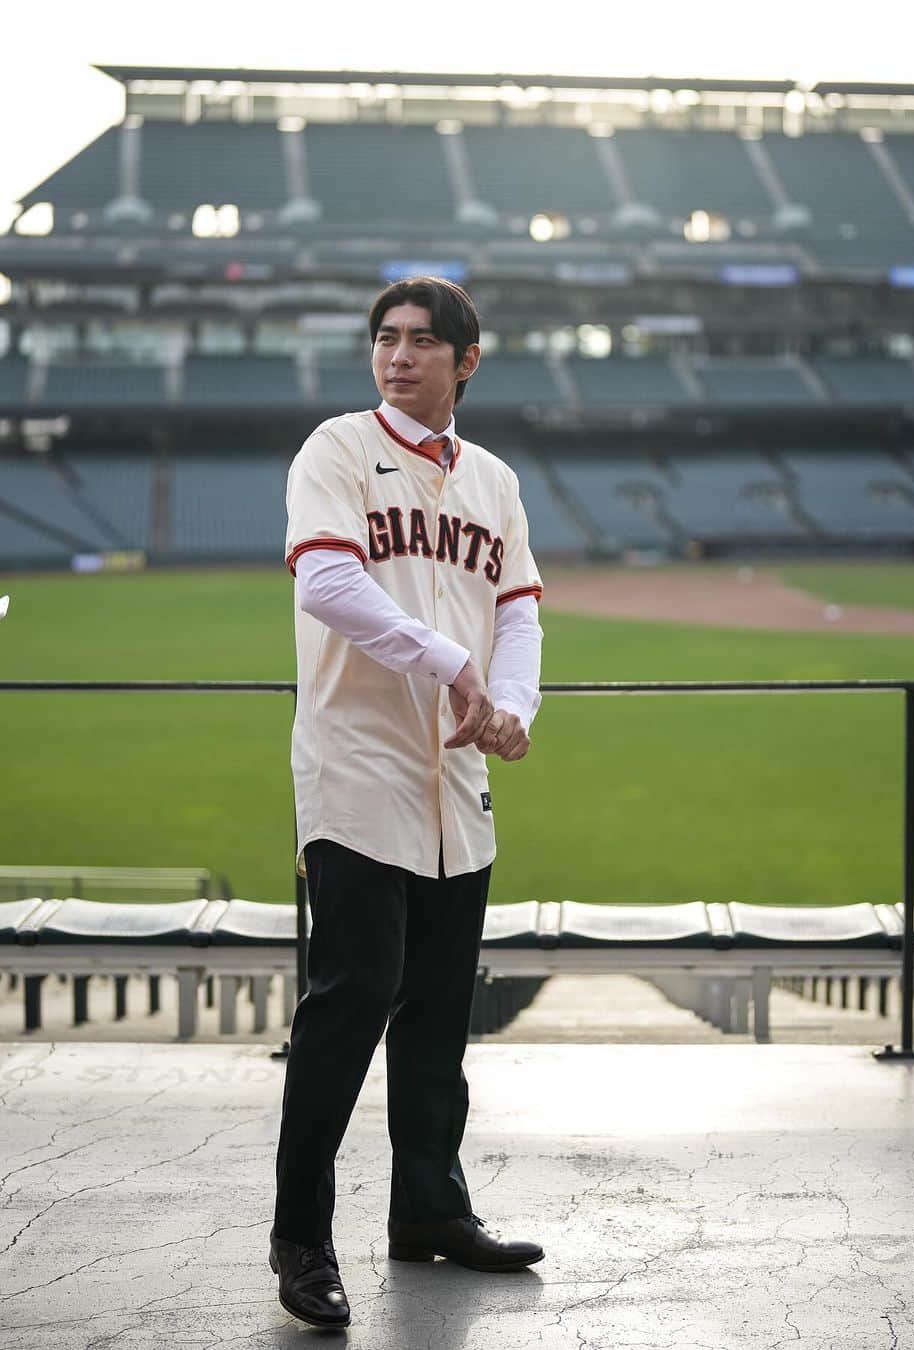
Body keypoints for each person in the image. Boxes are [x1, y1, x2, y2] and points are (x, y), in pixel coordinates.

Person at [269, 277, 545, 1329]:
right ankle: (302, 1239)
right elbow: (326, 586)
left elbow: (518, 610)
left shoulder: (495, 483)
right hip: (356, 768)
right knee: (352, 1000)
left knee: (438, 1013)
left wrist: (511, 703)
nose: (398, 356)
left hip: (455, 778)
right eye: (386, 339)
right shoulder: (337, 451)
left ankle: (430, 1210)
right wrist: (450, 667)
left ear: (467, 360)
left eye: (423, 342)